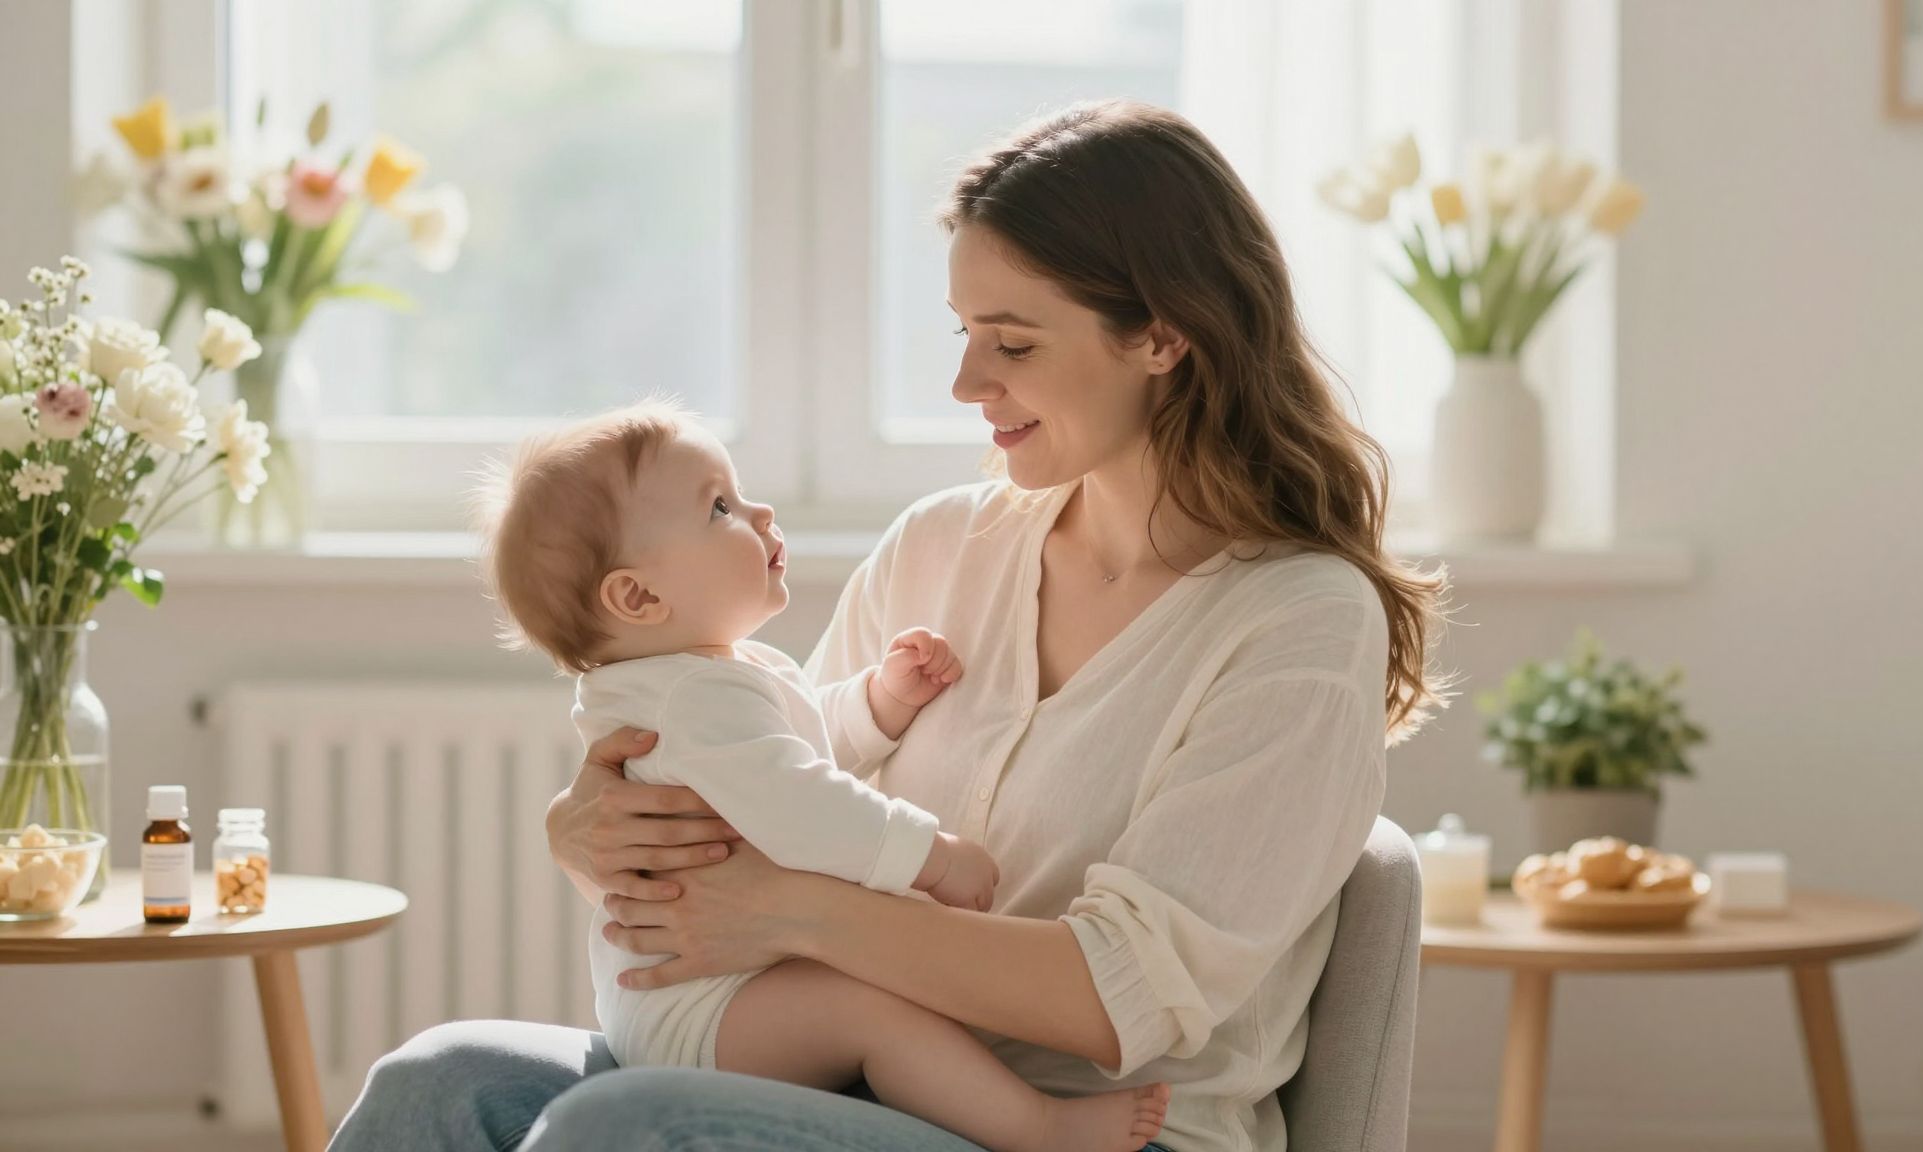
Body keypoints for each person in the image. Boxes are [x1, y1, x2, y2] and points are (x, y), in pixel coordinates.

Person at [331, 98, 1445, 1152]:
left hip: (1094, 1125)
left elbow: (1120, 997)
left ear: (1159, 335)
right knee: (438, 1079)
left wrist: (799, 916)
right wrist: (589, 833)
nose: (966, 380)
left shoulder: (1295, 621)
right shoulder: (941, 544)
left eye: (1011, 343)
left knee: (623, 1131)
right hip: (848, 1080)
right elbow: (761, 808)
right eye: (963, 332)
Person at [472, 401, 1169, 1152]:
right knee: (871, 1015)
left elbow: (800, 750)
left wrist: (880, 702)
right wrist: (930, 855)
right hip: (709, 1010)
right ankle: (1038, 1127)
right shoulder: (694, 695)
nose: (759, 510)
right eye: (719, 508)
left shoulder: (711, 675)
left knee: (863, 1013)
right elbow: (801, 803)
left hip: (708, 996)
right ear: (638, 597)